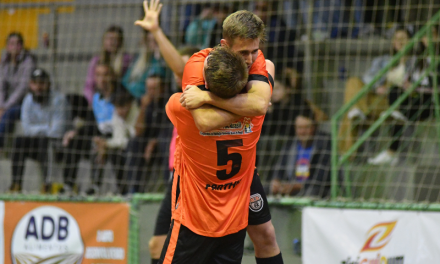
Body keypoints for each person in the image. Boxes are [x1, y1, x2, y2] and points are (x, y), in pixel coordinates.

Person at [136, 2, 283, 264]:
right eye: (243, 52)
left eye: (254, 51)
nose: (250, 59)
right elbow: (249, 108)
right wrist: (247, 110)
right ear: (224, 45)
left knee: (266, 235)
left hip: (240, 179)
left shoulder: (257, 61)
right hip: (200, 185)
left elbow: (255, 105)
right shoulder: (198, 65)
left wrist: (206, 97)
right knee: (157, 243)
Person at [163, 46, 257, 263]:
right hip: (234, 224)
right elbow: (264, 73)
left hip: (193, 222)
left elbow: (181, 95)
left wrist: (204, 95)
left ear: (205, 84)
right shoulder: (256, 115)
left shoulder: (182, 109)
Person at [368, 26, 440, 165]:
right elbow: (409, 78)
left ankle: (392, 151)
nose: (428, 39)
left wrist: (417, 87)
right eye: (425, 36)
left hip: (431, 100)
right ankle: (392, 150)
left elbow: (433, 84)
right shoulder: (420, 59)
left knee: (398, 112)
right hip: (415, 98)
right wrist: (408, 85)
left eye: (433, 34)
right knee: (396, 92)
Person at [338, 27, 413, 157]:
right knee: (353, 82)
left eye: (403, 39)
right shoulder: (383, 60)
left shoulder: (415, 61)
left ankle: (344, 156)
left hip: (391, 102)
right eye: (396, 39)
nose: (399, 42)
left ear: (410, 41)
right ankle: (357, 112)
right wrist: (377, 86)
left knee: (349, 110)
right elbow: (367, 79)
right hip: (374, 97)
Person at [9, 68, 70, 193]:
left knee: (44, 141)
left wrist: (37, 130)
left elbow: (57, 132)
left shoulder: (59, 100)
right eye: (35, 83)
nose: (38, 87)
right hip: (37, 144)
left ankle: (46, 185)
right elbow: (26, 129)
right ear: (30, 84)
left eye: (42, 83)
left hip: (59, 146)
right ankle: (16, 185)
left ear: (48, 84)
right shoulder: (28, 100)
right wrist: (47, 127)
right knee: (19, 141)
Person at [61, 63, 117, 194]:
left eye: (105, 75)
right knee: (75, 140)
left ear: (112, 77)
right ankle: (68, 185)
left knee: (95, 144)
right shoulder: (97, 98)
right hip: (98, 134)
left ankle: (95, 186)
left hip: (114, 134)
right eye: (98, 75)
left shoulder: (119, 96)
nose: (101, 79)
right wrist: (75, 132)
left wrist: (101, 139)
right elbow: (92, 121)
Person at [271, 106, 332, 198]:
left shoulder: (324, 145)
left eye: (307, 127)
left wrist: (298, 186)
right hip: (290, 187)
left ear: (314, 128)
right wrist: (276, 181)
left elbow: (322, 178)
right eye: (299, 128)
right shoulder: (290, 145)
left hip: (313, 188)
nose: (302, 132)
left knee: (312, 192)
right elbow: (280, 167)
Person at [89, 87, 139, 195]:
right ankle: (98, 188)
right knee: (106, 152)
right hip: (124, 146)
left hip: (138, 146)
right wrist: (104, 144)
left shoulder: (137, 112)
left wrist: (106, 143)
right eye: (117, 107)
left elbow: (131, 137)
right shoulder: (117, 115)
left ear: (130, 103)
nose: (120, 111)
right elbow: (118, 139)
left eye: (122, 107)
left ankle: (134, 190)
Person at [125, 74, 168, 193]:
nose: (151, 92)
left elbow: (169, 129)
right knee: (134, 143)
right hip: (147, 144)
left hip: (164, 142)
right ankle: (134, 189)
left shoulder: (169, 102)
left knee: (165, 143)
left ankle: (169, 187)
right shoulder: (145, 104)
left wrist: (155, 141)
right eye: (149, 88)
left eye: (154, 88)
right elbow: (138, 131)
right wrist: (143, 108)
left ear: (162, 88)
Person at [0, 32, 36, 151]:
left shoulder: (29, 61)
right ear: (6, 46)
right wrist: (1, 105)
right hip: (5, 104)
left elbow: (23, 89)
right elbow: (1, 86)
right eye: (11, 44)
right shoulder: (4, 62)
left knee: (8, 114)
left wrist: (4, 107)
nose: (15, 47)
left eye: (18, 44)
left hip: (23, 103)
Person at [83, 25, 132, 105]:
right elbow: (89, 85)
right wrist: (92, 102)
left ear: (120, 41)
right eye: (108, 39)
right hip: (98, 98)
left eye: (114, 39)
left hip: (119, 98)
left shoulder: (127, 60)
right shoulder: (96, 60)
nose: (110, 42)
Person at [122, 30, 166, 99]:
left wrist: (158, 56)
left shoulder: (160, 62)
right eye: (150, 41)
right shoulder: (139, 59)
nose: (153, 44)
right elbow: (125, 80)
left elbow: (158, 77)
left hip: (144, 99)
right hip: (128, 98)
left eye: (156, 40)